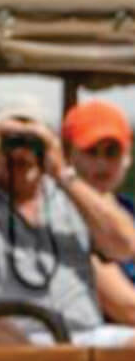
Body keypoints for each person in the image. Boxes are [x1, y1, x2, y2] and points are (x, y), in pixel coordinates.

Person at [0, 94, 135, 346]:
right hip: (11, 342)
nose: (21, 149)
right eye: (11, 139)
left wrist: (61, 170)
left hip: (85, 333)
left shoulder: (71, 196)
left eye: (32, 140)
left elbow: (125, 246)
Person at [62, 99, 135, 324]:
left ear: (127, 156)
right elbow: (125, 306)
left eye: (111, 151)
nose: (102, 163)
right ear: (68, 155)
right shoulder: (61, 216)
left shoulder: (129, 209)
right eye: (91, 151)